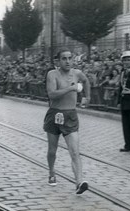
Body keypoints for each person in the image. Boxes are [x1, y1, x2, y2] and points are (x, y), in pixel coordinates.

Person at [43, 48, 91, 194]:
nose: (68, 61)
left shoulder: (76, 73)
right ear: (58, 61)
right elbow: (52, 94)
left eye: (70, 58)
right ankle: (51, 172)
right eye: (64, 58)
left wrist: (87, 97)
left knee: (75, 151)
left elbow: (86, 81)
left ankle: (79, 182)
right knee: (52, 150)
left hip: (70, 115)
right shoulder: (52, 74)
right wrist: (71, 89)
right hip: (55, 114)